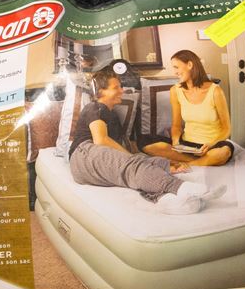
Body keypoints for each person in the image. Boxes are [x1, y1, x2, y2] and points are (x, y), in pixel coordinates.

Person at [68, 68, 224, 215]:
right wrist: (134, 159)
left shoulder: (112, 115)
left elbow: (118, 152)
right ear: (101, 91)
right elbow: (101, 140)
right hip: (83, 155)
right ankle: (182, 187)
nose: (122, 90)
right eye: (116, 87)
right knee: (132, 165)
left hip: (97, 164)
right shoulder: (94, 107)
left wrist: (163, 163)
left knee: (144, 167)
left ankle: (169, 201)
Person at [142, 50, 234, 166]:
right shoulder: (175, 90)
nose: (175, 72)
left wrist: (211, 144)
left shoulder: (215, 91)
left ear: (190, 65)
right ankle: (201, 161)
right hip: (188, 145)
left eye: (176, 67)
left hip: (211, 146)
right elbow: (176, 125)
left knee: (222, 153)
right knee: (145, 143)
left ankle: (189, 164)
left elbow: (226, 128)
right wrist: (176, 141)